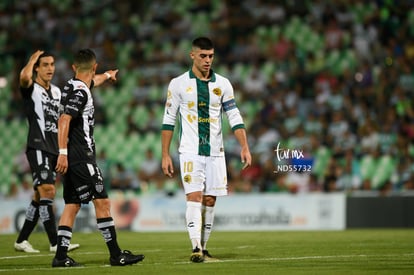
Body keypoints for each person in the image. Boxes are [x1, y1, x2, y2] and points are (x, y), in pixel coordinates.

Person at [161, 37, 252, 263]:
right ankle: (195, 247)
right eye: (203, 55)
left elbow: (234, 115)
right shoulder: (178, 84)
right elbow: (168, 120)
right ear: (192, 55)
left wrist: (244, 146)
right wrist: (165, 154)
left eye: (210, 56)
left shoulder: (223, 84)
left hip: (216, 153)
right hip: (190, 151)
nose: (207, 60)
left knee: (210, 200)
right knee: (194, 196)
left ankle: (204, 246)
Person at [53, 48, 144, 267]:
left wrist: (107, 76)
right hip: (81, 156)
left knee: (72, 205)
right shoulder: (81, 93)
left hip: (73, 157)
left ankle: (60, 256)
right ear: (94, 66)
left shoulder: (71, 86)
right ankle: (116, 255)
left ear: (74, 68)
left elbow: (92, 81)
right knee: (102, 202)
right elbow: (64, 120)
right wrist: (62, 153)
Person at [14, 50, 80, 253]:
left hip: (53, 148)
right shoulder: (31, 88)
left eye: (52, 64)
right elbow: (24, 77)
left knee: (39, 196)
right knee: (48, 191)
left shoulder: (58, 92)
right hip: (38, 145)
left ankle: (21, 240)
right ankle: (55, 243)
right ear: (37, 68)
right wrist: (32, 58)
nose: (50, 68)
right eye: (45, 65)